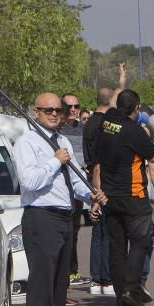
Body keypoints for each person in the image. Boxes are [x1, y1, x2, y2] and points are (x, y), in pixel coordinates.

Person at [13, 92, 107, 306]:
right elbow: (30, 181)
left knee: (59, 284)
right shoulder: (27, 143)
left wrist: (91, 194)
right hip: (41, 217)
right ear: (36, 111)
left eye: (58, 110)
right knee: (42, 285)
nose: (54, 114)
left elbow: (75, 179)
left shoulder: (62, 141)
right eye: (48, 110)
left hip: (66, 217)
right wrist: (55, 160)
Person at [94, 89, 154, 306]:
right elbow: (153, 160)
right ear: (136, 109)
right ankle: (131, 290)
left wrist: (121, 82)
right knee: (140, 242)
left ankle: (120, 293)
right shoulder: (134, 131)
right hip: (133, 196)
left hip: (109, 197)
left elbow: (113, 103)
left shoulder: (107, 121)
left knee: (117, 246)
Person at [84, 64, 127, 296]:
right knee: (108, 231)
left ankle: (97, 279)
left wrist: (120, 80)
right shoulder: (104, 124)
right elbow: (100, 163)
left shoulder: (90, 122)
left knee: (98, 231)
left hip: (93, 176)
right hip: (102, 180)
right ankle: (106, 279)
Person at [59, 93, 91, 289]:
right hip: (61, 189)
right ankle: (66, 272)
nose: (73, 109)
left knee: (74, 230)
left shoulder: (83, 129)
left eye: (76, 106)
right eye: (68, 106)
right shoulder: (57, 131)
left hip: (79, 185)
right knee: (64, 231)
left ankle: (72, 271)